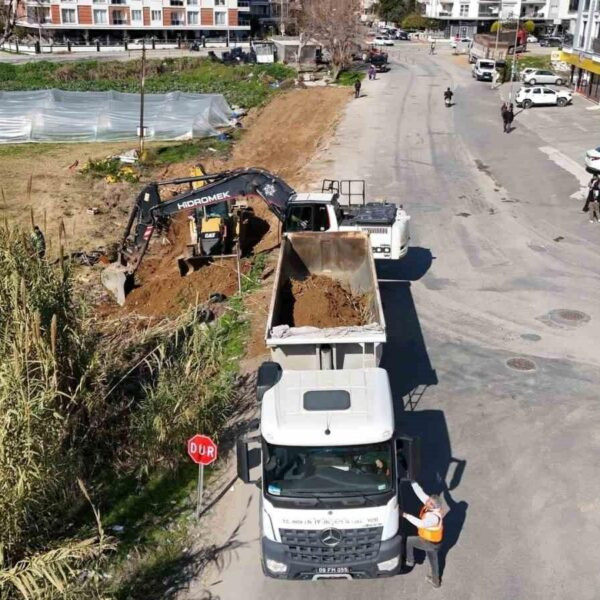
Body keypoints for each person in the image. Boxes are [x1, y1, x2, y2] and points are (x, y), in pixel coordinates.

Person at [402, 480, 444, 588]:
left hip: (430, 542)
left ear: (434, 506)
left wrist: (405, 515)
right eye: (428, 500)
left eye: (429, 503)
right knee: (433, 561)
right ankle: (436, 582)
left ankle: (410, 561)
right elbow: (419, 492)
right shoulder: (431, 505)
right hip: (434, 542)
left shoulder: (433, 518)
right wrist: (412, 480)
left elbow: (421, 524)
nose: (426, 502)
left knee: (410, 541)